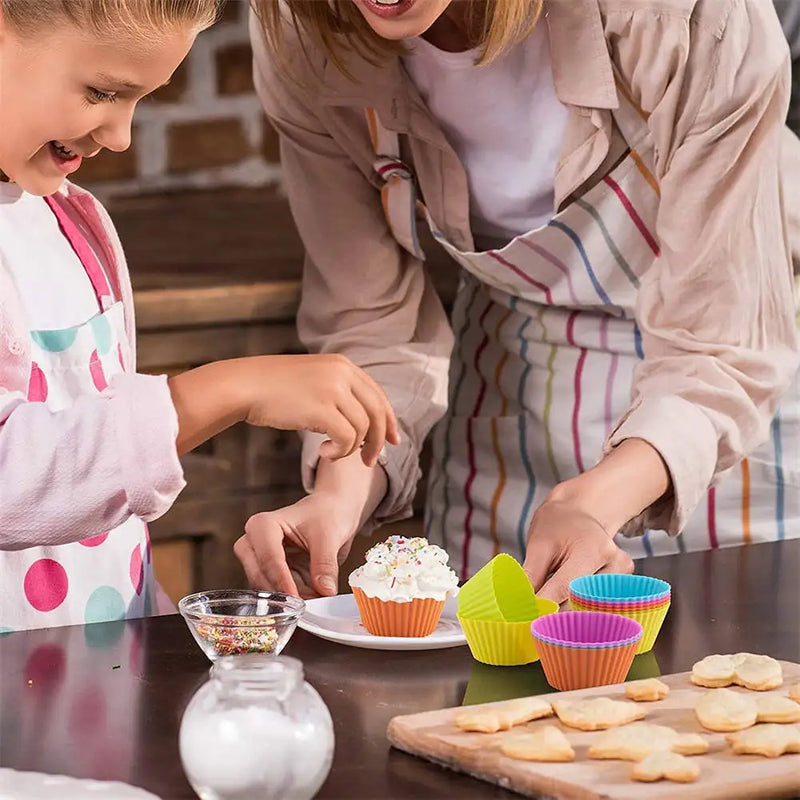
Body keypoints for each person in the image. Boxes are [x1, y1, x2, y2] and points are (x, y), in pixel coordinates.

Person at [241, 0, 800, 603]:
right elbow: (371, 323)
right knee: (489, 679)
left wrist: (592, 502)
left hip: (733, 389)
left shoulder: (683, 14)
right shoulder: (306, 28)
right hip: (515, 372)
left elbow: (723, 343)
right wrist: (339, 492)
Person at [0, 0, 399, 631]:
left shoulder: (73, 219)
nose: (121, 136)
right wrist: (225, 389)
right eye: (102, 90)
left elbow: (99, 488)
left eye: (140, 101)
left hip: (93, 673)